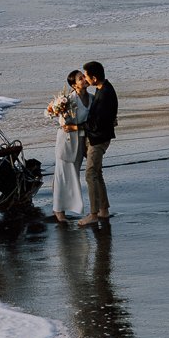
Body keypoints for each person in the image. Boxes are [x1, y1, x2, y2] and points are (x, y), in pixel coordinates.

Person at [78, 59, 118, 226]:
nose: (85, 80)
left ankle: (93, 214)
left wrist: (76, 126)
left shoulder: (105, 94)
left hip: (99, 139)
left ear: (94, 78)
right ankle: (103, 210)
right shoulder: (103, 89)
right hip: (100, 137)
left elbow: (96, 124)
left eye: (86, 77)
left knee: (91, 174)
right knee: (97, 173)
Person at [51, 69, 91, 221]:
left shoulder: (92, 98)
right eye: (81, 78)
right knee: (62, 177)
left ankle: (63, 208)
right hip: (66, 142)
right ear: (74, 85)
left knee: (73, 175)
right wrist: (63, 115)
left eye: (84, 77)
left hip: (80, 143)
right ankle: (59, 212)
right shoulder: (68, 100)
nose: (84, 79)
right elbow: (63, 123)